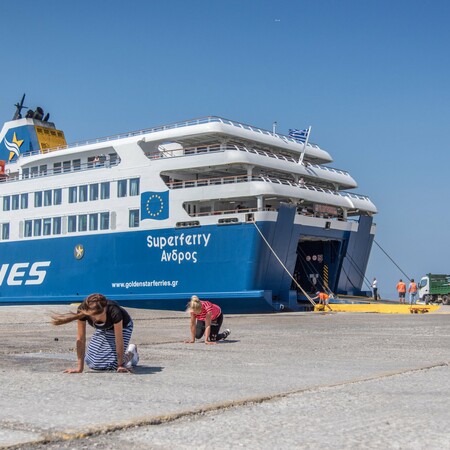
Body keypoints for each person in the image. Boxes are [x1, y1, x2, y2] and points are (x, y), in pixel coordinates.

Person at [51, 293, 139, 373]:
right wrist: (79, 368)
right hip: (102, 329)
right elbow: (81, 339)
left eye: (99, 315)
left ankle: (131, 352)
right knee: (92, 362)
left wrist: (120, 365)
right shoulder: (83, 309)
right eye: (92, 316)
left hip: (124, 327)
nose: (96, 319)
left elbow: (118, 340)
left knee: (112, 365)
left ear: (105, 309)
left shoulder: (114, 311)